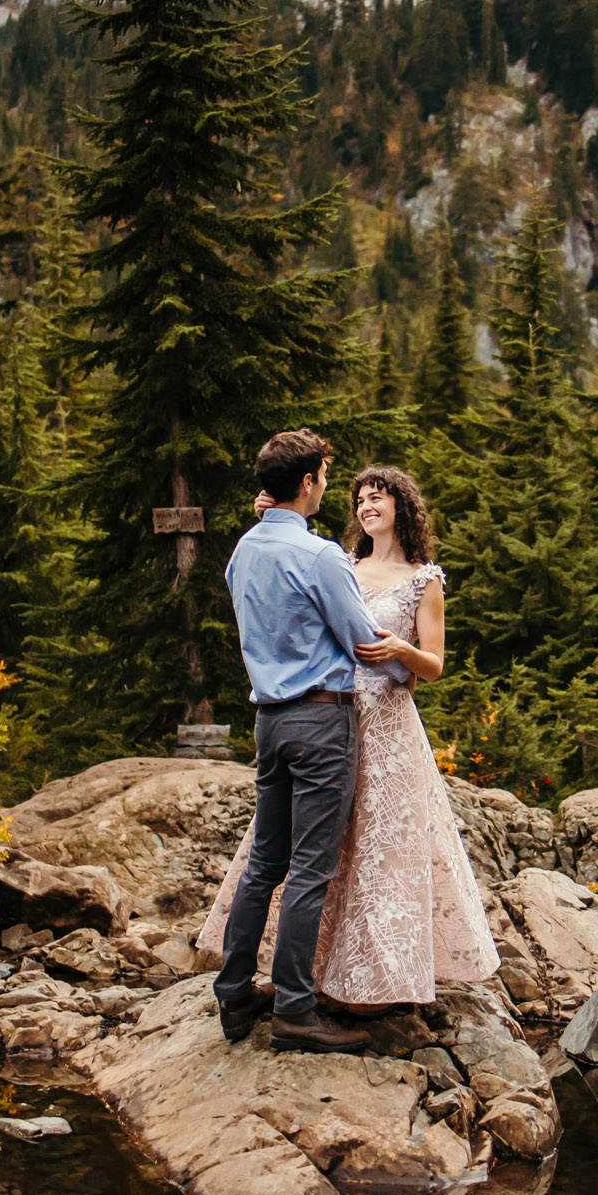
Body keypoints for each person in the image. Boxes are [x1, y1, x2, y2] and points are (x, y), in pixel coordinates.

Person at [201, 464, 500, 1012]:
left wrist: (403, 655)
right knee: (320, 852)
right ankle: (307, 974)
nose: (367, 506)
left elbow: (433, 665)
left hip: (384, 721)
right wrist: (274, 514)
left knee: (380, 848)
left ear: (401, 507)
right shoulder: (340, 562)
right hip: (328, 712)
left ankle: (375, 975)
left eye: (378, 497)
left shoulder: (424, 578)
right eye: (360, 499)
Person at [210, 429, 400, 1055]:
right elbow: (363, 640)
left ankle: (235, 993)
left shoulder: (244, 551)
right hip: (322, 721)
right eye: (323, 473)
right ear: (310, 482)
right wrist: (408, 666)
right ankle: (294, 1009)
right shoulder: (320, 556)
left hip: (269, 720)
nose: (326, 483)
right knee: (310, 870)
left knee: (265, 862)